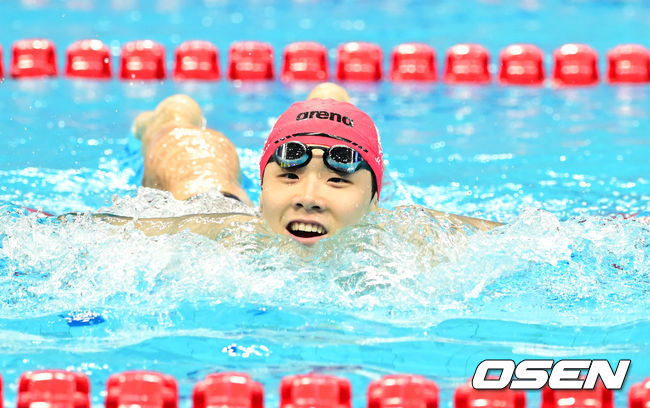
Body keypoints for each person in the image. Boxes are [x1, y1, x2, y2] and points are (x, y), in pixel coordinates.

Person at [98, 83, 502, 246]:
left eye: (337, 182)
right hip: (208, 199)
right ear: (263, 188)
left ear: (377, 199)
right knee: (184, 135)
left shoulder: (409, 238)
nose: (308, 198)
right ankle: (169, 114)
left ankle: (328, 98)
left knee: (331, 104)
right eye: (288, 176)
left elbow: (530, 241)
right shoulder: (208, 236)